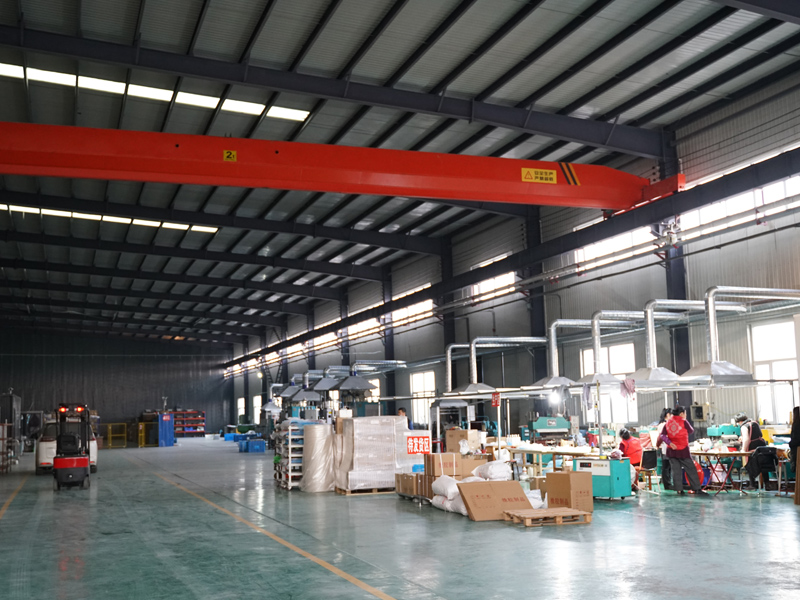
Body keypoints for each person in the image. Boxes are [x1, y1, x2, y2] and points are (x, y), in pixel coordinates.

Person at [661, 406, 709, 496]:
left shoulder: (668, 422)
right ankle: (697, 489)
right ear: (681, 413)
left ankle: (679, 490)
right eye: (685, 413)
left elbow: (662, 435)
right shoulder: (683, 421)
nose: (686, 415)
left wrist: (670, 442)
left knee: (676, 471)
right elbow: (691, 430)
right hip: (683, 450)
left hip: (671, 450)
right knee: (691, 469)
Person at [655, 408, 673, 490]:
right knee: (666, 467)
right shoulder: (663, 425)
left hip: (668, 448)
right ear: (668, 415)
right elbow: (660, 437)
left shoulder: (666, 424)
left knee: (668, 467)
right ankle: (667, 484)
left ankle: (668, 483)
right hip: (666, 448)